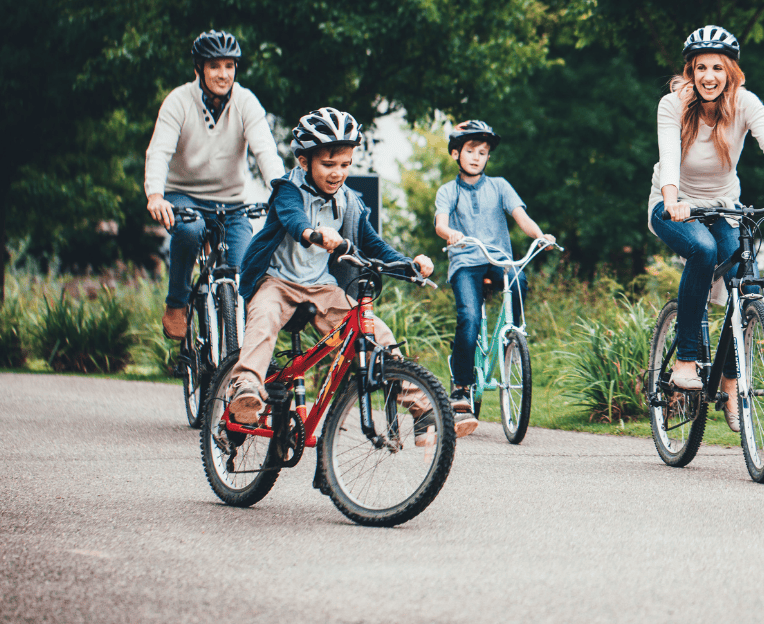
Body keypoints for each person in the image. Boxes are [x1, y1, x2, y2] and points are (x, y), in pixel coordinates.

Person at [648, 25, 764, 432]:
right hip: (671, 204)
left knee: (744, 281)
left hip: (724, 208)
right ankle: (685, 362)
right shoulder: (672, 105)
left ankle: (731, 379)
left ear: (730, 71)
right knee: (703, 250)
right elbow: (669, 157)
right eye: (700, 68)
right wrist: (673, 200)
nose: (708, 76)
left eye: (717, 67)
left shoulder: (745, 103)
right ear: (691, 71)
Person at [226, 107, 434, 426]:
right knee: (263, 318)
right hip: (277, 282)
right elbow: (293, 218)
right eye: (328, 164)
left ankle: (422, 408)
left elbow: (373, 244)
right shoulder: (287, 189)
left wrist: (410, 266)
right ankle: (246, 388)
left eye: (345, 164)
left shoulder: (349, 201)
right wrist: (314, 233)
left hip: (321, 288)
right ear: (304, 161)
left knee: (375, 331)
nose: (337, 173)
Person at [145, 30, 286, 341]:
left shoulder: (246, 102)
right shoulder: (178, 101)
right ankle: (177, 302)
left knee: (244, 271)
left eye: (229, 66)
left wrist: (280, 190)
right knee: (190, 230)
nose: (223, 74)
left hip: (232, 203)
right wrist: (155, 194)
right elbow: (159, 152)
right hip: (185, 196)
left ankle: (241, 349)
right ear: (199, 68)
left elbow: (265, 151)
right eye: (214, 66)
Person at [434, 120, 555, 436]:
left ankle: (511, 342)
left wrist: (540, 236)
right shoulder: (448, 191)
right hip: (466, 261)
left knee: (520, 281)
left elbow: (521, 217)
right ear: (456, 154)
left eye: (483, 152)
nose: (476, 157)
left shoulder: (500, 186)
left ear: (488, 157)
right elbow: (441, 223)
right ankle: (461, 388)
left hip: (499, 260)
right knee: (470, 317)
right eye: (470, 151)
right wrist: (450, 233)